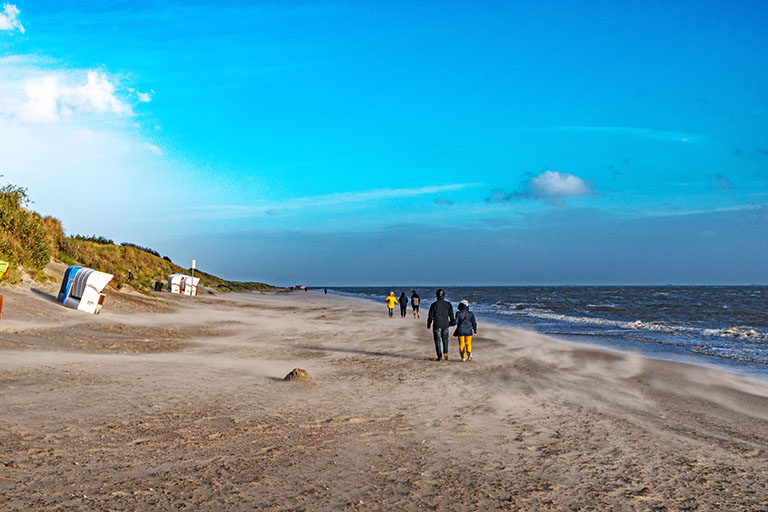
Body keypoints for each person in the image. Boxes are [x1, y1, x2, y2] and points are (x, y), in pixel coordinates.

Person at [427, 289, 454, 361]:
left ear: (436, 295)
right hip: (445, 324)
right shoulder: (448, 304)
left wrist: (428, 324)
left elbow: (430, 316)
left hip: (437, 324)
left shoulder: (434, 305)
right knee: (445, 339)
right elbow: (451, 315)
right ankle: (446, 353)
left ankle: (439, 356)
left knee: (437, 340)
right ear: (444, 295)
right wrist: (452, 322)